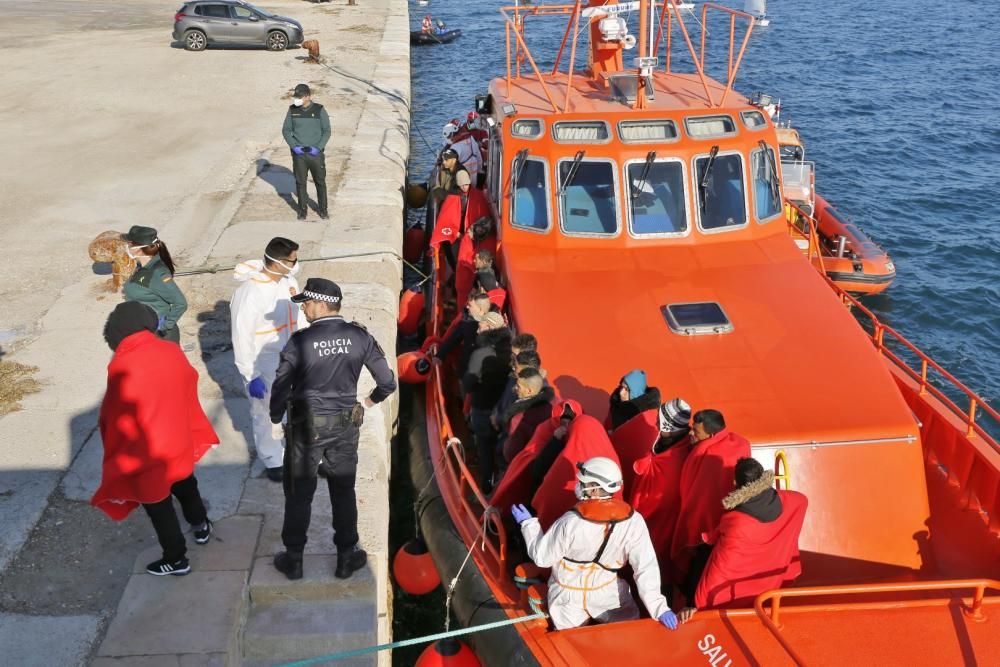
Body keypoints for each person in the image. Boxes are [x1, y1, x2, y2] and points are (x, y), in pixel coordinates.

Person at [269, 278, 397, 580]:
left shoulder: (299, 342)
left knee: (300, 493)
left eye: (306, 304)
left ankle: (295, 559)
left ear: (320, 304)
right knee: (343, 490)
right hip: (345, 426)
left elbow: (280, 385)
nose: (304, 310)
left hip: (305, 428)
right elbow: (387, 382)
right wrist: (367, 402)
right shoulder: (359, 336)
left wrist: (275, 417)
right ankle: (345, 558)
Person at [92, 302, 218, 576]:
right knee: (185, 483)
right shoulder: (170, 349)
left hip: (147, 449)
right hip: (177, 437)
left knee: (158, 505)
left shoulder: (122, 364)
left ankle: (176, 559)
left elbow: (115, 414)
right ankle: (201, 527)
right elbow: (188, 381)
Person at [512, 457, 678, 631]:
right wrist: (659, 607)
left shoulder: (570, 522)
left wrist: (529, 524)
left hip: (567, 596)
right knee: (626, 632)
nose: (579, 485)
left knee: (570, 642)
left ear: (595, 488)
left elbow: (541, 557)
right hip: (608, 592)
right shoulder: (633, 521)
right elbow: (646, 566)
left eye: (583, 482)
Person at [679, 458, 808, 622]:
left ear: (734, 482)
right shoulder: (795, 501)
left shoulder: (736, 520)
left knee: (701, 556)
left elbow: (720, 567)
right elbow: (801, 500)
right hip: (770, 580)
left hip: (736, 589)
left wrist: (698, 603)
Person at [230, 237, 307, 481]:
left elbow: (300, 316)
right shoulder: (249, 293)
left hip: (292, 355)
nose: (296, 265)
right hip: (263, 362)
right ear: (278, 262)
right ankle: (272, 459)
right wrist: (250, 375)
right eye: (293, 261)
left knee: (295, 405)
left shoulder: (289, 281)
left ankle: (295, 446)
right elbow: (241, 337)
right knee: (265, 412)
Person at [670, 409, 751, 604]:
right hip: (733, 527)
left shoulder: (703, 454)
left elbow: (695, 496)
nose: (691, 434)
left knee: (697, 578)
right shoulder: (741, 443)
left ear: (711, 435)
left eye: (696, 432)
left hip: (705, 532)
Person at [627, 399, 693, 581]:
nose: (655, 424)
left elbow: (659, 499)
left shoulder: (673, 459)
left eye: (659, 421)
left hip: (657, 525)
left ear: (668, 425)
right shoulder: (674, 446)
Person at [462, 310, 511, 492]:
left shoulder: (481, 354)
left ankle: (486, 487)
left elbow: (468, 383)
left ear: (489, 328)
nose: (477, 331)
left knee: (484, 447)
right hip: (504, 409)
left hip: (483, 407)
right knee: (502, 449)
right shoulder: (510, 350)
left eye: (480, 327)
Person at [122, 225, 187, 343]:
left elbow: (180, 303)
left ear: (138, 248)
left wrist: (164, 327)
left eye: (129, 244)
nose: (127, 247)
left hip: (159, 336)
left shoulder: (158, 273)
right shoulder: (142, 266)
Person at [282, 83, 332, 221]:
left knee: (320, 182)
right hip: (299, 155)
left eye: (300, 97)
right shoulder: (292, 110)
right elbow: (286, 130)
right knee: (300, 183)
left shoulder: (319, 110)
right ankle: (302, 211)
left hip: (315, 154)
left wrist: (319, 147)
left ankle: (323, 210)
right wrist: (294, 146)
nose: (296, 99)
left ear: (308, 96)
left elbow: (327, 130)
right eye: (296, 96)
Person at [501, 367, 555, 463]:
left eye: (518, 386)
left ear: (529, 391)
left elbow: (511, 453)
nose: (514, 388)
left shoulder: (518, 419)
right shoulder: (554, 405)